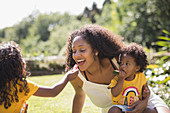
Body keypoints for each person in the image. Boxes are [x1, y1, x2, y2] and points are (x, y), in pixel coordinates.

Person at [65, 24, 169, 113]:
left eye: (82, 50)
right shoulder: (76, 76)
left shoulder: (117, 60)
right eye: (74, 51)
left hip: (143, 100)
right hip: (117, 110)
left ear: (95, 51)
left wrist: (144, 102)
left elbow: (140, 78)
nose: (76, 55)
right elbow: (79, 95)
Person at [0, 41, 78, 113]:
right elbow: (52, 91)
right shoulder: (22, 86)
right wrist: (67, 77)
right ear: (15, 68)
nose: (24, 62)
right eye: (21, 61)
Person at [108, 43, 156, 113]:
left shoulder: (141, 77)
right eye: (121, 63)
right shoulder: (117, 78)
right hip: (122, 108)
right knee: (113, 110)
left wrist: (146, 93)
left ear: (137, 68)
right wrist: (121, 79)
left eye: (127, 64)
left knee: (150, 111)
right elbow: (114, 93)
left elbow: (146, 90)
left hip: (138, 106)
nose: (123, 66)